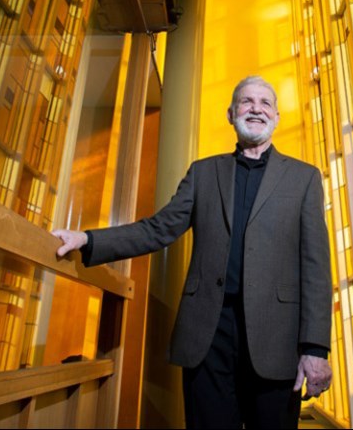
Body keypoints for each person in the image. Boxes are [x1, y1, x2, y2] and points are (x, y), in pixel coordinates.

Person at [52, 76, 333, 428]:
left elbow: (316, 269)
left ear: (277, 116)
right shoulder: (203, 173)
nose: (256, 108)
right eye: (246, 101)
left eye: (264, 103)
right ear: (231, 114)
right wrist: (89, 240)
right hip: (208, 336)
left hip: (277, 339)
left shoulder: (304, 178)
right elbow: (158, 229)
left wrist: (315, 348)